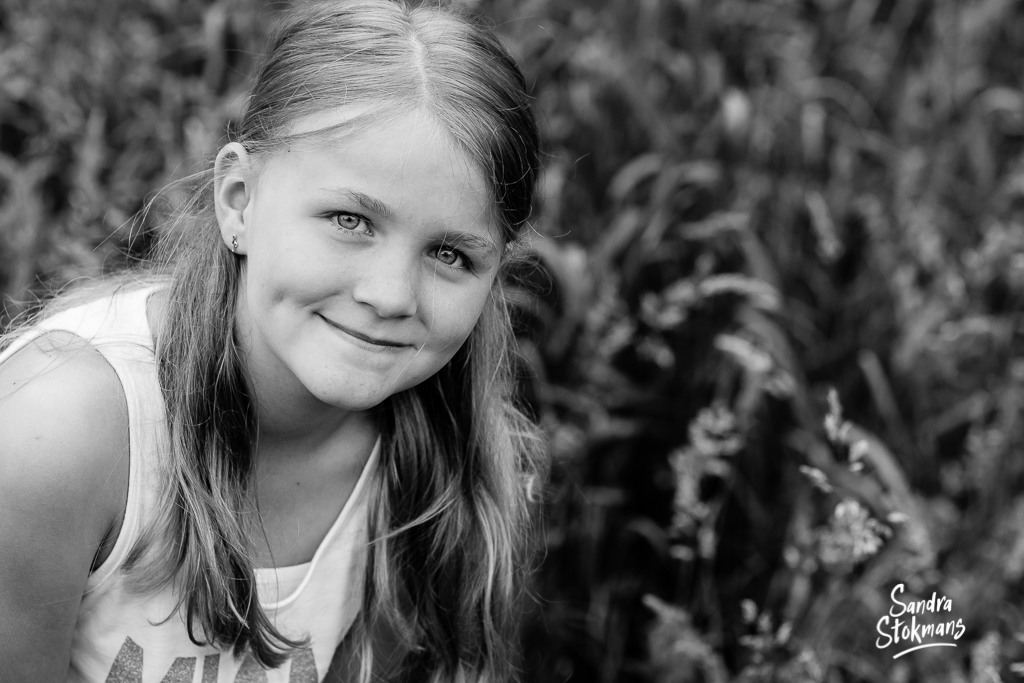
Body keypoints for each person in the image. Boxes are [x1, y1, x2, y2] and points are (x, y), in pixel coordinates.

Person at [0, 0, 544, 681]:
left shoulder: (449, 469)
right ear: (238, 199)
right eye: (349, 219)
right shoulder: (59, 432)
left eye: (451, 255)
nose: (391, 295)